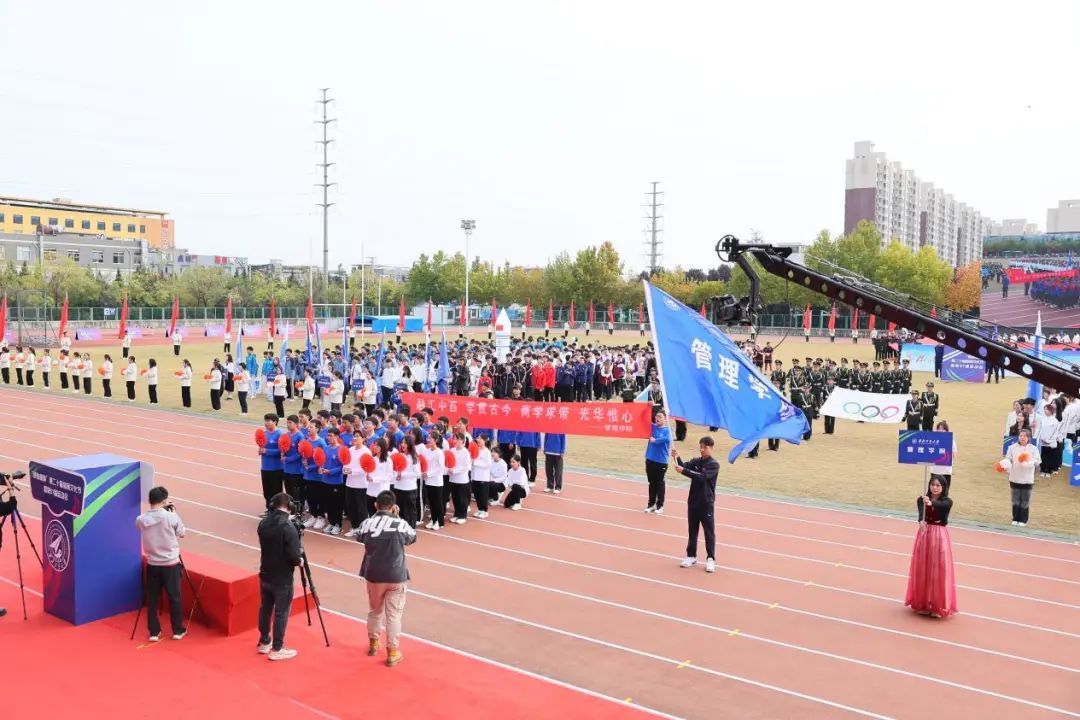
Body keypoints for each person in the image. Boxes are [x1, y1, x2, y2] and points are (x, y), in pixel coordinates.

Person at [359, 489, 417, 667]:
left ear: (375, 505)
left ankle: (373, 643)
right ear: (393, 506)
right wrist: (397, 517)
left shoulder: (368, 523)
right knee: (394, 615)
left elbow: (359, 536)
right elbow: (412, 538)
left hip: (373, 575)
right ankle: (392, 652)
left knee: (375, 611)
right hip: (395, 575)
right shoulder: (400, 524)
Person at [135, 486, 187, 642]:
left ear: (150, 501)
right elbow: (181, 533)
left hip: (153, 564)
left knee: (152, 600)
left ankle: (154, 632)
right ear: (164, 501)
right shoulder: (171, 517)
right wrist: (173, 512)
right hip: (171, 564)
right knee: (174, 598)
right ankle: (177, 630)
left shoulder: (141, 519)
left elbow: (145, 524)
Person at [904, 476, 957, 618]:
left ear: (943, 487)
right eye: (933, 484)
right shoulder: (921, 499)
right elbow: (921, 514)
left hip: (939, 535)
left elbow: (942, 507)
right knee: (923, 568)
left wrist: (931, 502)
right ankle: (923, 603)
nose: (935, 487)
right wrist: (921, 521)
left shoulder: (947, 501)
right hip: (925, 534)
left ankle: (938, 605)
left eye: (938, 485)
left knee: (939, 569)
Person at [257, 492, 301, 661]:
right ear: (289, 506)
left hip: (265, 573)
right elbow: (294, 556)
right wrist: (299, 560)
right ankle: (277, 648)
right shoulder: (288, 527)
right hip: (282, 577)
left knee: (265, 608)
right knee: (281, 612)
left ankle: (264, 641)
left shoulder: (263, 523)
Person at [673, 436, 719, 573]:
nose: (702, 449)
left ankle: (710, 558)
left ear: (711, 448)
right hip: (693, 501)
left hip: (706, 503)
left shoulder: (714, 465)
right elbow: (684, 466)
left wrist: (684, 471)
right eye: (701, 447)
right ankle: (691, 556)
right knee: (692, 530)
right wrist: (677, 457)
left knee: (709, 532)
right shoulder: (696, 461)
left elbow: (701, 477)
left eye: (705, 447)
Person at [1002, 429, 1039, 527]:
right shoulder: (1012, 448)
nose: (1022, 438)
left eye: (1025, 436)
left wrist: (1029, 462)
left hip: (1027, 479)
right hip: (1014, 477)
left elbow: (1037, 461)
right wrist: (1005, 465)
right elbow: (1008, 459)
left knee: (1025, 501)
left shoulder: (1033, 449)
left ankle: (1023, 520)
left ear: (1029, 438)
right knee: (1015, 500)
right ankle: (1015, 518)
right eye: (1021, 435)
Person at [644, 410, 671, 514]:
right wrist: (649, 406)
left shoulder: (667, 430)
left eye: (660, 416)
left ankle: (660, 506)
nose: (657, 418)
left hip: (661, 461)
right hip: (650, 459)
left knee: (659, 483)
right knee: (652, 483)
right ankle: (651, 505)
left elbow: (667, 439)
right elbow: (643, 418)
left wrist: (656, 440)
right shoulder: (653, 427)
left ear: (665, 419)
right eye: (656, 416)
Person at [258, 414, 284, 511]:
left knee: (276, 491)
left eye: (268, 421)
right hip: (265, 467)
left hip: (276, 468)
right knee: (267, 491)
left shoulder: (280, 434)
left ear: (275, 422)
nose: (266, 423)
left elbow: (282, 450)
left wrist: (267, 451)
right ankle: (269, 509)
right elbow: (262, 447)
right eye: (265, 421)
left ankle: (277, 510)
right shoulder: (264, 434)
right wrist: (261, 451)